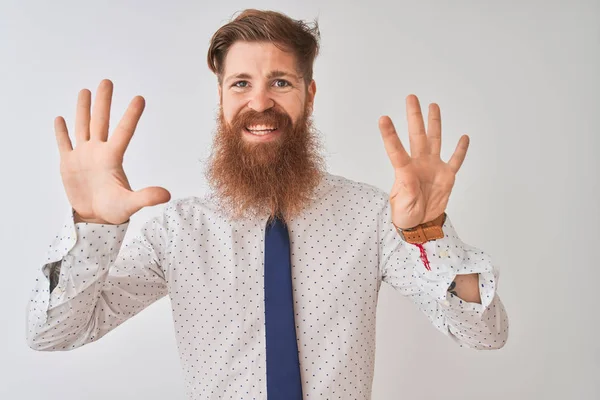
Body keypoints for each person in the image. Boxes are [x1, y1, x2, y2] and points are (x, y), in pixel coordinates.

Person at [26, 9, 509, 400]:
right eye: (240, 84)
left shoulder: (375, 218)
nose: (260, 102)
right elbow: (52, 334)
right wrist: (90, 227)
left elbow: (484, 333)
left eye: (280, 82)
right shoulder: (176, 231)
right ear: (221, 97)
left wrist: (430, 232)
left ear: (308, 95)